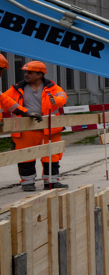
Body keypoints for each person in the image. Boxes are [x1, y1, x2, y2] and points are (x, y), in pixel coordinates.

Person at [1, 61, 68, 191]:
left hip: (49, 128)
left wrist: (57, 101)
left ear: (39, 74)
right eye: (26, 72)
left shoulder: (52, 87)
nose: (26, 75)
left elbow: (63, 96)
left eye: (29, 72)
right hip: (25, 129)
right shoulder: (16, 89)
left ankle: (52, 182)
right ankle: (27, 183)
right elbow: (3, 101)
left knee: (52, 155)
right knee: (25, 155)